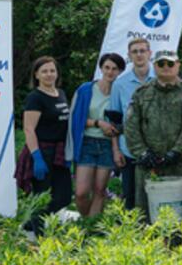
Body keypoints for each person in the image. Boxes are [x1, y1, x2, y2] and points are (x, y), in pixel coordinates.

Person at [124, 50, 182, 238]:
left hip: (181, 163)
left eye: (170, 64)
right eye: (161, 64)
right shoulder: (142, 93)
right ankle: (150, 253)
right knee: (146, 212)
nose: (166, 68)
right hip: (150, 164)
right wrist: (142, 153)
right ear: (154, 66)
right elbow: (131, 125)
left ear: (178, 65)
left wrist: (176, 151)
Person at [69, 52, 126, 218]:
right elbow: (76, 119)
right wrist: (98, 123)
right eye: (107, 67)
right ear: (101, 68)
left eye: (115, 69)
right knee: (81, 192)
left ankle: (91, 228)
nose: (110, 72)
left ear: (120, 71)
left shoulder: (119, 92)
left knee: (100, 191)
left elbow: (118, 123)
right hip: (87, 142)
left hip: (108, 145)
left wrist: (116, 149)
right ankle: (86, 218)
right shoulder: (86, 90)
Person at [20, 56, 72, 233]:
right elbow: (28, 129)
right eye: (44, 71)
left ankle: (31, 222)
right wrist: (37, 157)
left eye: (52, 70)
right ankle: (38, 234)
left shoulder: (61, 93)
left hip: (59, 152)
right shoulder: (35, 98)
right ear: (36, 75)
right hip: (41, 151)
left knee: (64, 197)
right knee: (42, 195)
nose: (49, 74)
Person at [107, 37, 153, 210]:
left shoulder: (162, 79)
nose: (139, 55)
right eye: (135, 51)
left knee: (156, 197)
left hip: (158, 150)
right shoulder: (119, 84)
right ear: (129, 56)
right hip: (129, 150)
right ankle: (132, 235)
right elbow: (114, 120)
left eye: (142, 51)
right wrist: (116, 150)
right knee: (131, 199)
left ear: (150, 53)